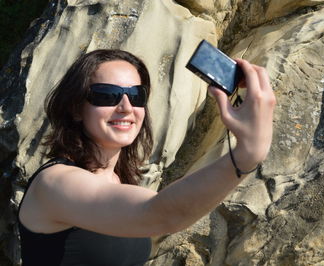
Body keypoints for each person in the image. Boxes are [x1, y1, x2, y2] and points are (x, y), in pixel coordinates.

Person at [17, 49, 276, 266]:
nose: (126, 107)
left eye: (136, 95)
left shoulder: (121, 183)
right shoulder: (55, 183)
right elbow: (163, 214)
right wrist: (246, 154)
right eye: (107, 95)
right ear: (75, 108)